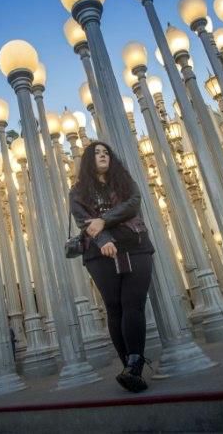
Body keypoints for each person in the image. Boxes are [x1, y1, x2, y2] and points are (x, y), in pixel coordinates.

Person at [69, 141, 155, 393]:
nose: (103, 155)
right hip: (99, 253)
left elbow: (133, 203)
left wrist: (104, 221)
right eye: (96, 153)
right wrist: (104, 239)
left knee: (134, 304)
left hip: (135, 244)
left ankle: (135, 365)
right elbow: (84, 221)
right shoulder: (77, 191)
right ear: (88, 160)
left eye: (106, 152)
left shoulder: (124, 182)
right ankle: (128, 367)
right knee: (115, 307)